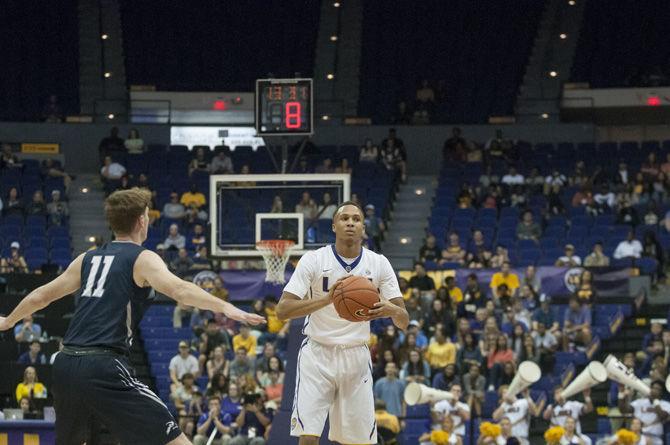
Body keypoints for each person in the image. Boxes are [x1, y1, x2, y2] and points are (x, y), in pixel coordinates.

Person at [0, 187, 264, 445]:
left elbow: (42, 296)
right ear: (141, 221)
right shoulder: (143, 258)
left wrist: (9, 320)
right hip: (103, 364)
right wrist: (227, 307)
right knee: (174, 439)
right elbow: (181, 290)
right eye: (147, 215)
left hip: (66, 362)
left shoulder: (87, 258)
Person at [276, 201, 408, 445]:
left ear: (363, 228)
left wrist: (391, 309)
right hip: (317, 354)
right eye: (344, 218)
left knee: (358, 441)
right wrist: (327, 299)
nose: (350, 222)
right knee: (308, 437)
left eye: (356, 219)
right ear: (334, 226)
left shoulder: (379, 263)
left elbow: (403, 320)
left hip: (356, 355)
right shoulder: (313, 260)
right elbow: (282, 311)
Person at [619, 380, 670, 445]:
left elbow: (663, 416)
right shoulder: (640, 402)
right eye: (653, 388)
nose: (654, 390)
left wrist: (655, 401)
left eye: (657, 389)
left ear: (661, 392)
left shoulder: (666, 404)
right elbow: (624, 410)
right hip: (639, 436)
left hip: (656, 438)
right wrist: (621, 394)